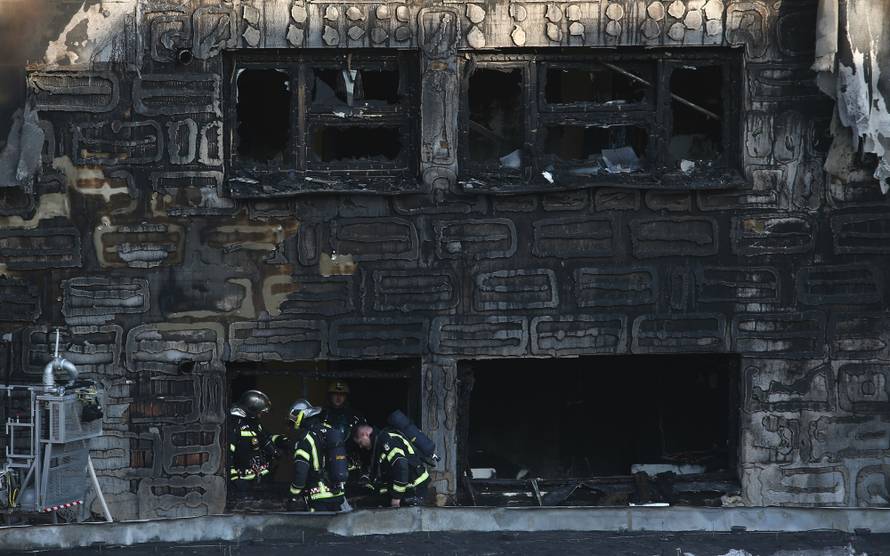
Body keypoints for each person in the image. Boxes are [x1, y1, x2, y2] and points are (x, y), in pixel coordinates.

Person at [287, 399, 348, 512]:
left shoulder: (305, 438)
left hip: (319, 498)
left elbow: (301, 472)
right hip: (338, 496)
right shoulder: (329, 430)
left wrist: (292, 495)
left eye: (294, 418)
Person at [353, 423, 430, 507]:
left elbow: (400, 465)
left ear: (365, 434)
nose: (360, 446)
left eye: (360, 442)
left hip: (414, 487)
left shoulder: (386, 440)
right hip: (407, 488)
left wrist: (396, 497)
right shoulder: (378, 442)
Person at [228, 390, 282, 492]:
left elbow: (265, 439)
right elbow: (228, 455)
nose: (260, 416)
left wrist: (275, 450)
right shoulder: (234, 425)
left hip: (260, 479)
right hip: (243, 482)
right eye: (259, 413)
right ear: (252, 410)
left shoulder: (255, 424)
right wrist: (234, 478)